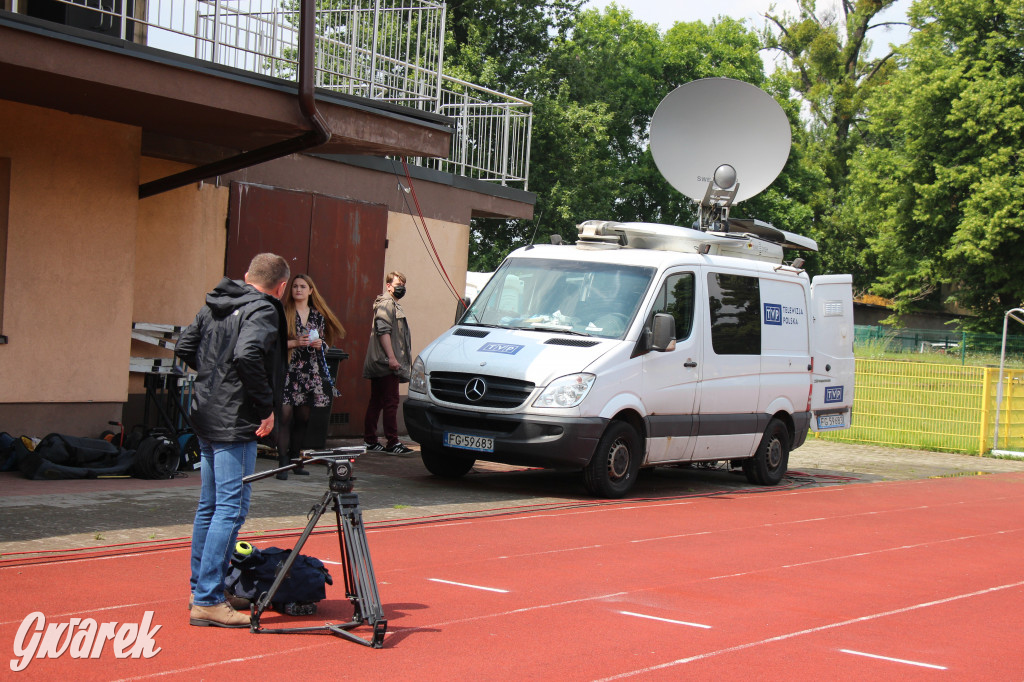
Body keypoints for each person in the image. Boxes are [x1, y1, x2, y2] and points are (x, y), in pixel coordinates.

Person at [175, 253, 290, 628]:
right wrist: (265, 406)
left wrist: (213, 376)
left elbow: (185, 346)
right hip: (235, 419)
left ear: (247, 275)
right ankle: (207, 598)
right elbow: (247, 353)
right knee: (230, 508)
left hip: (207, 411)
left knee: (210, 506)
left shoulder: (217, 301)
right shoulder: (264, 309)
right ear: (281, 287)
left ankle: (202, 590)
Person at [276, 274, 346, 480]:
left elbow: (324, 344)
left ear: (310, 291)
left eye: (302, 286)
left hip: (310, 372)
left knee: (303, 418)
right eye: (295, 286)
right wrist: (295, 342)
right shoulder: (284, 312)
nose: (298, 290)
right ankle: (282, 463)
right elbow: (274, 343)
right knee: (285, 416)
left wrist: (320, 344)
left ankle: (296, 460)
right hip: (289, 371)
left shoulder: (317, 316)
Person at [362, 271, 415, 454]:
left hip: (383, 362)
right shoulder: (386, 304)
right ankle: (392, 442)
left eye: (403, 285)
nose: (401, 288)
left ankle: (370, 440)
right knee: (391, 401)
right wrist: (391, 358)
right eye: (398, 284)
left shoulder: (391, 304)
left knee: (377, 401)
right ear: (388, 286)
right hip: (385, 363)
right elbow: (383, 331)